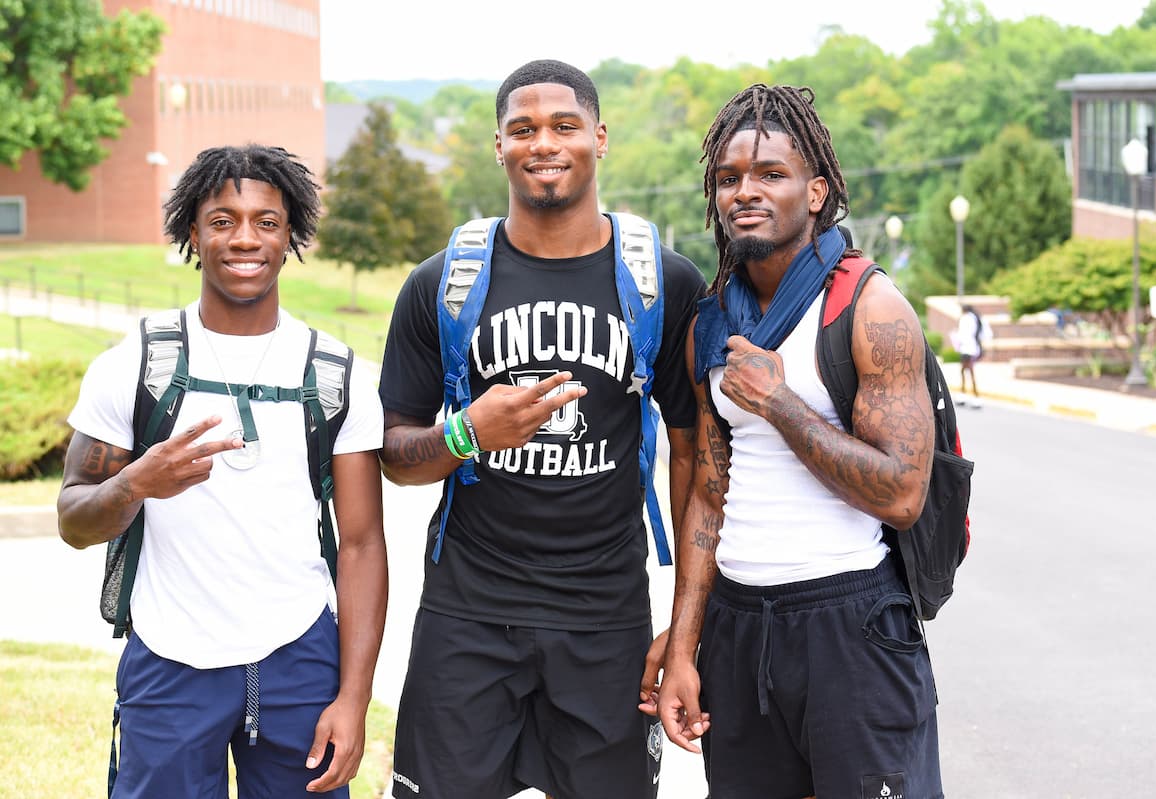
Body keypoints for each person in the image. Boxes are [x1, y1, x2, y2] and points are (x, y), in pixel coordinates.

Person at [377, 59, 707, 799]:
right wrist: (465, 434)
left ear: (600, 137)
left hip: (606, 616)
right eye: (522, 129)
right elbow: (394, 455)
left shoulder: (667, 283)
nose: (543, 144)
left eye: (564, 125)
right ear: (498, 145)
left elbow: (695, 464)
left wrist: (686, 631)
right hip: (469, 610)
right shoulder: (441, 284)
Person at [57, 144, 387, 797]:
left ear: (292, 235)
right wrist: (137, 481)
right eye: (222, 219)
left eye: (267, 221)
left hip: (299, 657)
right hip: (171, 657)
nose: (245, 237)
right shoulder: (134, 363)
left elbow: (361, 543)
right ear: (192, 233)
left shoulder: (335, 374)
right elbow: (72, 517)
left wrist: (354, 696)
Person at [656, 84, 942, 799]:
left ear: (815, 192)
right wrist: (684, 646)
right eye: (728, 178)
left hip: (852, 623)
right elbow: (708, 495)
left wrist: (782, 403)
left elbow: (904, 494)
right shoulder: (711, 324)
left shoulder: (869, 308)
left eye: (769, 175)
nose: (744, 192)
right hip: (738, 625)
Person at [954, 304, 989, 408]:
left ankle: (975, 397)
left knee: (967, 372)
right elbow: (986, 334)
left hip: (967, 349)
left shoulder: (965, 319)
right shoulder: (976, 318)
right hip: (974, 348)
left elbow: (962, 335)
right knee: (966, 371)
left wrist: (957, 341)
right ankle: (965, 394)